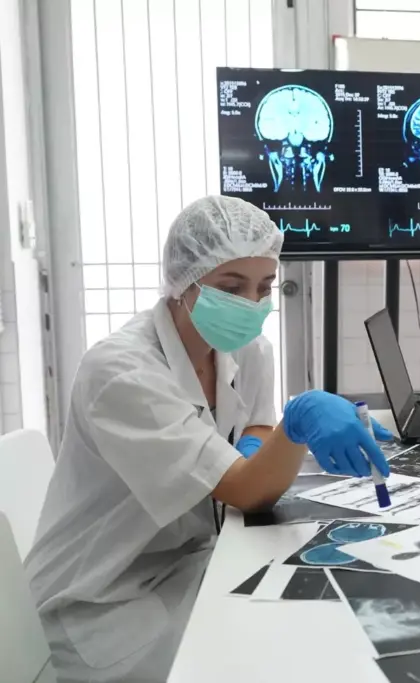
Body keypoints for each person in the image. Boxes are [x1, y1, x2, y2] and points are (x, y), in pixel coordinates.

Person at [24, 196, 393, 683]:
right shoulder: (120, 373)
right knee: (281, 656)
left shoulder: (247, 349)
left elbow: (257, 425)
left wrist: (258, 449)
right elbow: (246, 491)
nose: (252, 304)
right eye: (231, 286)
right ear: (183, 282)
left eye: (264, 287)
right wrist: (298, 421)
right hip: (103, 601)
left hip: (187, 563)